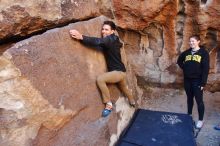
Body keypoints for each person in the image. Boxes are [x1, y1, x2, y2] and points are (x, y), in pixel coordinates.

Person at [69, 21, 136, 117]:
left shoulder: (109, 40)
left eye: (106, 29)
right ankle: (132, 101)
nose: (103, 31)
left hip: (117, 72)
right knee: (124, 88)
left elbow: (98, 41)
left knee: (100, 79)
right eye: (103, 29)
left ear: (112, 31)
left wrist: (81, 36)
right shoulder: (114, 39)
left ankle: (108, 104)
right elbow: (109, 43)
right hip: (121, 72)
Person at [177, 35, 210, 129]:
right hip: (187, 80)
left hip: (197, 81)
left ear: (198, 41)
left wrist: (203, 83)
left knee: (199, 100)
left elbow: (205, 69)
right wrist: (185, 68)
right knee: (189, 99)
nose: (191, 43)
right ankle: (189, 115)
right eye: (190, 41)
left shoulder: (203, 53)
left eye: (193, 41)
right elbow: (179, 61)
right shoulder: (186, 53)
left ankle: (200, 120)